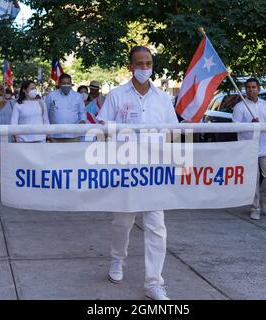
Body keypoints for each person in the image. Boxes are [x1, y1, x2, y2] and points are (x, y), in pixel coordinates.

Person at [97, 46, 179, 300]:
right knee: (123, 222)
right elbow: (102, 129)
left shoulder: (163, 98)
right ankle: (117, 260)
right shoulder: (117, 95)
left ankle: (154, 282)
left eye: (149, 63)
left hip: (154, 170)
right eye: (140, 64)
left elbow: (174, 132)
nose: (145, 68)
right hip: (126, 169)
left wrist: (165, 143)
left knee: (157, 226)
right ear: (130, 66)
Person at [232, 78, 266, 221]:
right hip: (248, 148)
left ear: (258, 89)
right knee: (253, 180)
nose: (250, 89)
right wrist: (250, 124)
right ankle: (255, 208)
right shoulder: (240, 107)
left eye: (253, 87)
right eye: (248, 87)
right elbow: (235, 127)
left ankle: (264, 199)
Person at [44, 74, 86, 142]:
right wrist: (47, 132)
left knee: (74, 153)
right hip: (55, 135)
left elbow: (82, 112)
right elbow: (45, 113)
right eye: (64, 83)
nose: (66, 85)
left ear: (71, 83)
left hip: (74, 135)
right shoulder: (51, 96)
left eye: (68, 83)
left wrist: (82, 121)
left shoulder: (77, 96)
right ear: (59, 84)